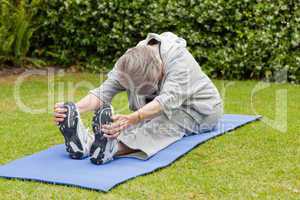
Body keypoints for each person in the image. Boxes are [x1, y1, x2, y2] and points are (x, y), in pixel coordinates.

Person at [54, 32, 223, 165]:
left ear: (160, 70)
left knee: (163, 125)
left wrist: (133, 118)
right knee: (134, 123)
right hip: (158, 106)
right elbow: (105, 90)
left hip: (200, 109)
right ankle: (88, 144)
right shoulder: (132, 58)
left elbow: (162, 102)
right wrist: (73, 110)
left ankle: (110, 149)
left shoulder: (181, 64)